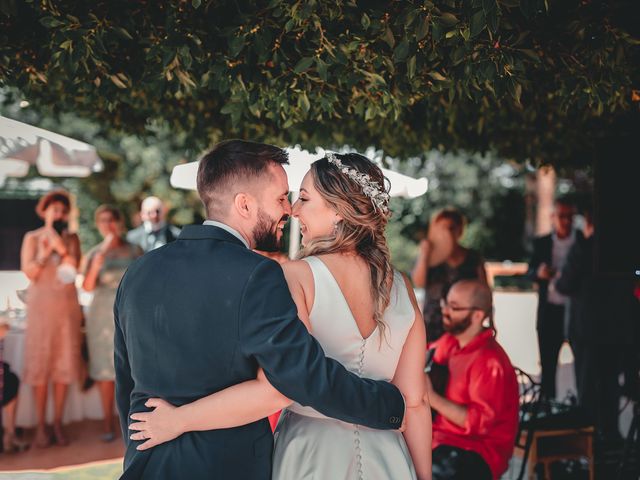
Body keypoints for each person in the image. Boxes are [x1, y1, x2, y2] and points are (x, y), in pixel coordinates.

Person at [114, 141, 409, 480]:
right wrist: (388, 405)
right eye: (281, 197)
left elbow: (126, 382)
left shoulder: (137, 272)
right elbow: (301, 375)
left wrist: (139, 448)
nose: (289, 209)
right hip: (226, 467)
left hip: (146, 463)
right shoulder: (257, 274)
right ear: (244, 204)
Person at [426, 279, 519, 480]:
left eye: (455, 307)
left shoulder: (489, 361)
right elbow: (423, 356)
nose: (446, 311)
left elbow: (477, 424)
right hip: (441, 441)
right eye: (446, 303)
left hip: (477, 452)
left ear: (477, 315)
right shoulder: (451, 342)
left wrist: (432, 398)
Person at [19, 189, 83, 447]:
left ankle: (57, 423)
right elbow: (29, 273)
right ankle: (41, 426)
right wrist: (46, 253)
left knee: (63, 364)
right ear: (44, 211)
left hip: (66, 310)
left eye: (61, 209)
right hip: (41, 311)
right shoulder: (32, 238)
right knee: (41, 364)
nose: (58, 213)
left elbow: (73, 270)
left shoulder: (72, 238)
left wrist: (60, 247)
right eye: (53, 208)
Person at [81, 205, 142, 442]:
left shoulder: (135, 249)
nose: (109, 225)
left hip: (130, 312)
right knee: (105, 370)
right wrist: (100, 258)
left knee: (130, 367)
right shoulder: (95, 252)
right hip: (101, 315)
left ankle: (130, 420)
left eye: (112, 220)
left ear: (119, 222)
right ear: (98, 225)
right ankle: (108, 421)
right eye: (103, 221)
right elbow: (86, 286)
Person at [527, 197, 582, 399]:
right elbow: (529, 271)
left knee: (584, 367)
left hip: (576, 311)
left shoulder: (582, 242)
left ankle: (581, 412)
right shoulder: (542, 243)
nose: (566, 221)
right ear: (553, 217)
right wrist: (539, 272)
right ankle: (547, 411)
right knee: (548, 366)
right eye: (562, 216)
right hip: (550, 311)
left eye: (570, 217)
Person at [412, 208, 487, 342]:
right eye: (442, 229)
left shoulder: (473, 257)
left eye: (451, 228)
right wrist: (424, 255)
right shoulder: (429, 257)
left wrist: (490, 321)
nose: (446, 234)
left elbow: (485, 292)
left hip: (465, 327)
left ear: (460, 231)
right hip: (433, 324)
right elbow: (418, 283)